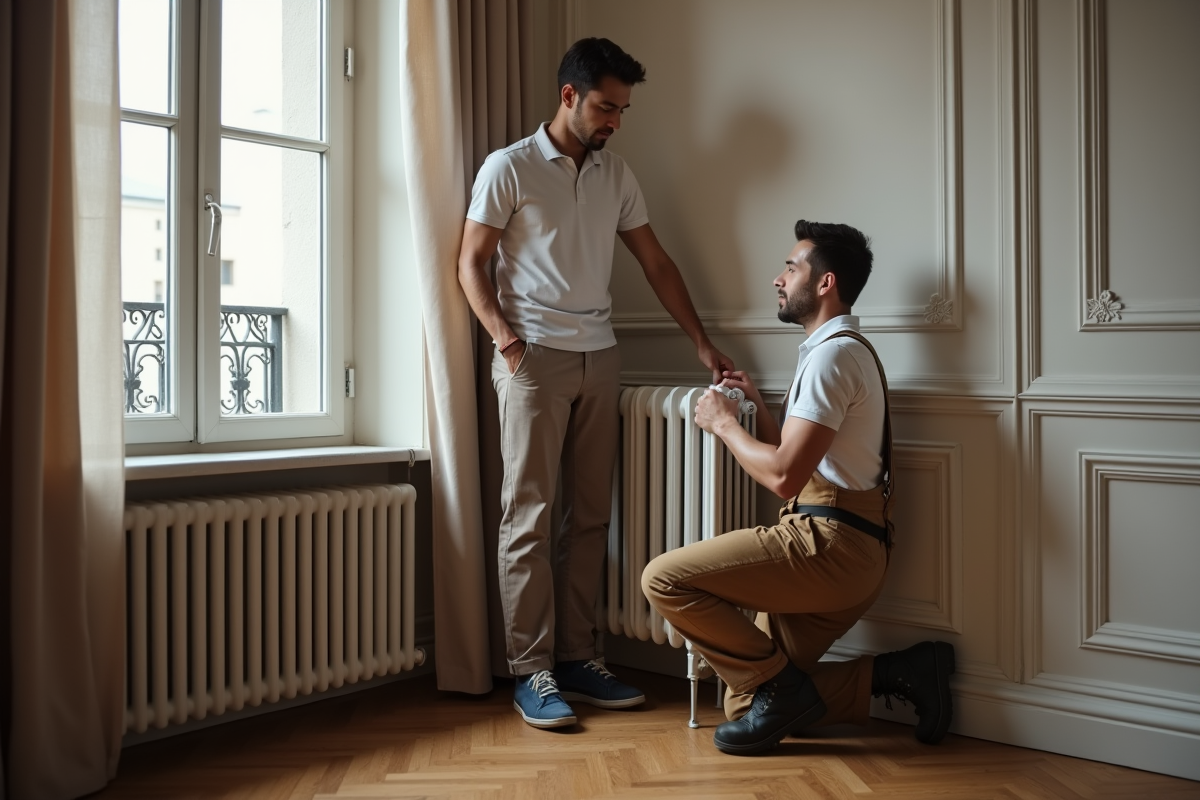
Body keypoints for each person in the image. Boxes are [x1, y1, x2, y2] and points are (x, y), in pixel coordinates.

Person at [457, 38, 733, 729]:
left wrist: (700, 340)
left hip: (600, 356)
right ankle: (531, 670)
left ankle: (579, 657)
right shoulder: (509, 167)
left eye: (623, 109)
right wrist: (507, 342)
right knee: (529, 518)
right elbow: (471, 264)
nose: (615, 120)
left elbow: (657, 263)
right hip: (532, 361)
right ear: (569, 96)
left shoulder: (617, 174)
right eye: (607, 106)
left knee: (590, 518)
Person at [641, 220, 955, 755]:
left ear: (826, 282)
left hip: (829, 548)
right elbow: (804, 467)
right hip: (843, 543)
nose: (778, 279)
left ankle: (786, 690)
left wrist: (723, 424)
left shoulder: (833, 357)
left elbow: (784, 476)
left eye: (791, 267)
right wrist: (762, 412)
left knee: (663, 580)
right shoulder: (834, 351)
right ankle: (901, 672)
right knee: (746, 705)